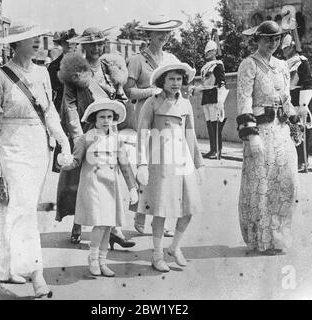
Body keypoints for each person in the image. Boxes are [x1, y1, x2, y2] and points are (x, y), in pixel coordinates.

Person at [0, 24, 73, 298]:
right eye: (29, 39)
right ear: (15, 45)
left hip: (39, 148)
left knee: (15, 209)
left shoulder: (42, 73)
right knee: (24, 210)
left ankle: (4, 268)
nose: (37, 43)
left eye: (37, 38)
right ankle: (37, 274)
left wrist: (64, 142)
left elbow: (50, 112)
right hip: (11, 148)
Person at [57, 27, 135, 248]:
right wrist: (77, 136)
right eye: (92, 45)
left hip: (109, 129)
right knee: (81, 180)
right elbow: (69, 106)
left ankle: (114, 230)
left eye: (100, 44)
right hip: (87, 129)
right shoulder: (75, 72)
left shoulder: (110, 69)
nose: (97, 49)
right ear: (84, 46)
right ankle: (78, 224)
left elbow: (120, 98)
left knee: (110, 178)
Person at [237, 21, 300, 256]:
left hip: (281, 131)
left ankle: (278, 237)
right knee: (260, 186)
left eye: (275, 39)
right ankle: (260, 239)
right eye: (266, 39)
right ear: (257, 39)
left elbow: (286, 99)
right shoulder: (249, 64)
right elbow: (243, 100)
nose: (271, 43)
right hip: (261, 131)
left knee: (286, 183)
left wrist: (295, 117)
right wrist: (251, 136)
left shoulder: (283, 66)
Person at [136, 62, 204, 272]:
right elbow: (142, 133)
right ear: (162, 81)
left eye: (179, 79)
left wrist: (199, 163)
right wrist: (142, 164)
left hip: (182, 158)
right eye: (171, 79)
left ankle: (175, 247)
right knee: (161, 209)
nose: (176, 83)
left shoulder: (185, 104)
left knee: (189, 206)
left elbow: (190, 134)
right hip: (161, 159)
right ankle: (157, 254)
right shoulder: (152, 102)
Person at [62, 98, 138, 276]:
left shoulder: (117, 139)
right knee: (100, 224)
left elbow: (125, 165)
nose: (106, 120)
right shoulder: (85, 138)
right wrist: (64, 162)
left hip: (111, 185)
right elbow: (75, 161)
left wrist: (132, 188)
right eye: (102, 117)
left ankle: (103, 261)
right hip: (93, 184)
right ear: (95, 119)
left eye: (110, 117)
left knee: (108, 225)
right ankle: (93, 259)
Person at [124, 17, 182, 237]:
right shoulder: (138, 60)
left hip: (167, 121)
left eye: (167, 32)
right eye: (159, 33)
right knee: (147, 169)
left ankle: (161, 219)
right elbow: (128, 91)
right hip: (146, 117)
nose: (164, 36)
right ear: (149, 35)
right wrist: (150, 91)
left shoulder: (171, 58)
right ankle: (140, 214)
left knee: (166, 173)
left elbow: (179, 82)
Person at [281, 34, 312, 172]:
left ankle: (303, 161)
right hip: (288, 101)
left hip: (299, 100)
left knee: (301, 133)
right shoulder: (284, 63)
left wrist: (304, 104)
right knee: (291, 133)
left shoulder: (301, 61)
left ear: (293, 46)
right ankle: (295, 160)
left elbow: (308, 83)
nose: (284, 51)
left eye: (287, 48)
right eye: (283, 48)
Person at [191, 40, 226, 159]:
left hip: (215, 96)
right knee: (209, 124)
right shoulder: (205, 67)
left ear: (215, 51)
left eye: (209, 51)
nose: (207, 54)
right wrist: (195, 89)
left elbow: (221, 83)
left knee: (215, 125)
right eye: (206, 52)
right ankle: (212, 149)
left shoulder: (217, 65)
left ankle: (217, 150)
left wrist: (220, 100)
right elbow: (204, 83)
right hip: (206, 97)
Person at [47, 29, 76, 114]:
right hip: (60, 108)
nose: (69, 44)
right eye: (65, 41)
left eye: (72, 41)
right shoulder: (53, 66)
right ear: (61, 44)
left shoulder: (83, 64)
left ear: (76, 44)